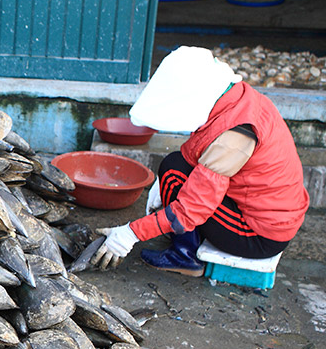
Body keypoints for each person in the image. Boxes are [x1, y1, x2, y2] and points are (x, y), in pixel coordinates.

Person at [93, 46, 309, 275]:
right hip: (271, 212)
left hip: (258, 235)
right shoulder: (238, 98)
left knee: (175, 177)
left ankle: (183, 257)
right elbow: (196, 157)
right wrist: (162, 187)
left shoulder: (235, 137)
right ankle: (185, 241)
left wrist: (131, 233)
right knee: (174, 166)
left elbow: (190, 210)